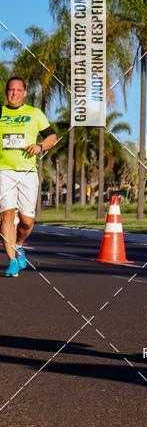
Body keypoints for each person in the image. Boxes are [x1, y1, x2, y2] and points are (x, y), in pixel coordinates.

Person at [0, 76, 57, 277]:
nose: (14, 93)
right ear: (6, 92)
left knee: (27, 222)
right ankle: (13, 261)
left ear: (24, 93)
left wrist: (40, 146)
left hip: (27, 172)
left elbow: (52, 136)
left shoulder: (34, 114)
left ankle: (19, 244)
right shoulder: (1, 112)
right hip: (4, 171)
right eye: (10, 89)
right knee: (6, 215)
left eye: (18, 90)